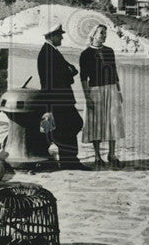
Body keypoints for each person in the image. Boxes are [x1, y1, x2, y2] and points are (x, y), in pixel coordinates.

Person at [37, 23, 85, 169]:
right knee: (72, 125)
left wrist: (69, 72)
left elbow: (71, 70)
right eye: (59, 35)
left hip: (60, 99)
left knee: (69, 126)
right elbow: (64, 75)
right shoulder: (48, 54)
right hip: (58, 99)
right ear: (51, 36)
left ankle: (67, 159)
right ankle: (69, 161)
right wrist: (69, 73)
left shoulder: (51, 51)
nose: (62, 37)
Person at [79, 23, 125, 168]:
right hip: (95, 91)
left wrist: (118, 91)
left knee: (113, 121)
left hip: (111, 89)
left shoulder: (109, 51)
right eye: (101, 33)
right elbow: (83, 78)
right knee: (96, 123)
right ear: (93, 35)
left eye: (105, 33)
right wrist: (87, 98)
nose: (104, 36)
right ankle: (97, 156)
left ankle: (112, 154)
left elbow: (114, 72)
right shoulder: (85, 54)